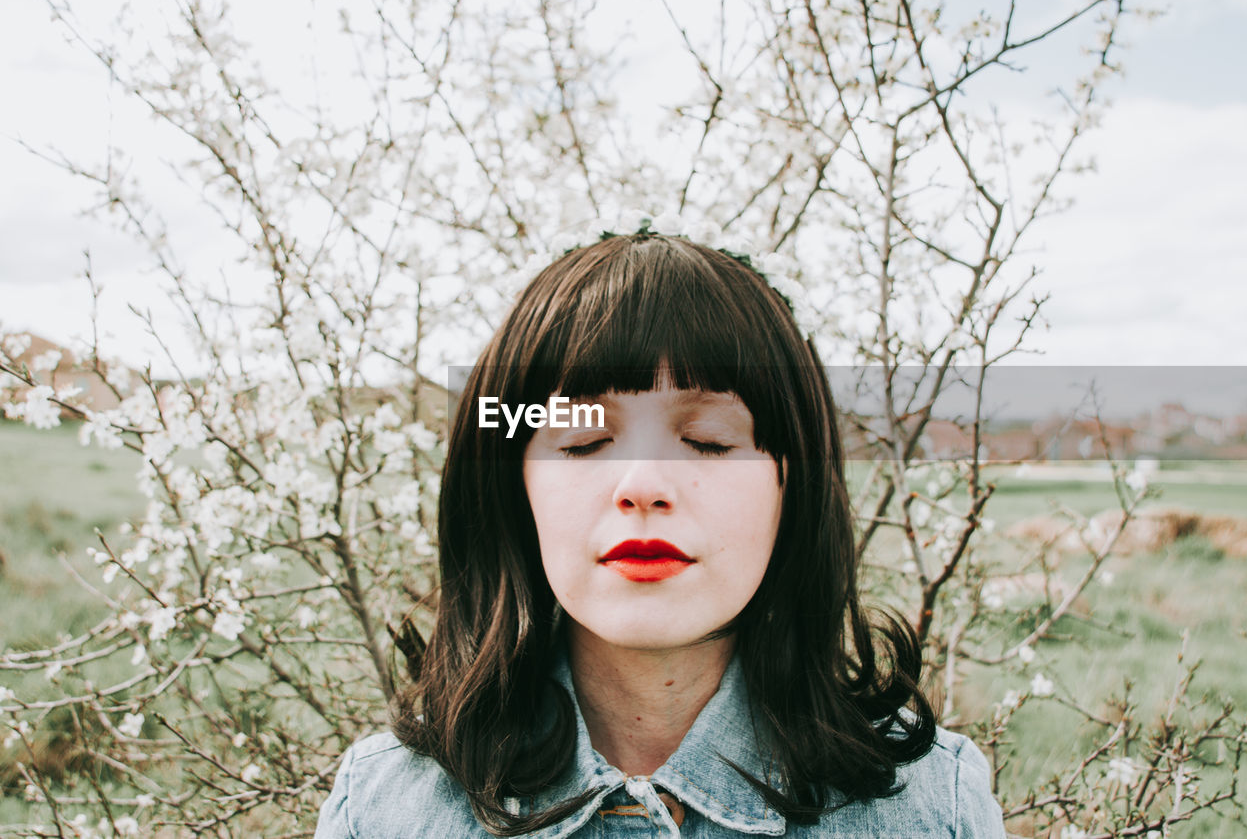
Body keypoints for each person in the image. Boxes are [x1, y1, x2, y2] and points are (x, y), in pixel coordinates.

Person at [314, 223, 1007, 837]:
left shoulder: (927, 805)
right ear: (512, 487)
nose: (642, 484)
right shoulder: (385, 808)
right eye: (583, 440)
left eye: (706, 439)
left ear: (789, 487)